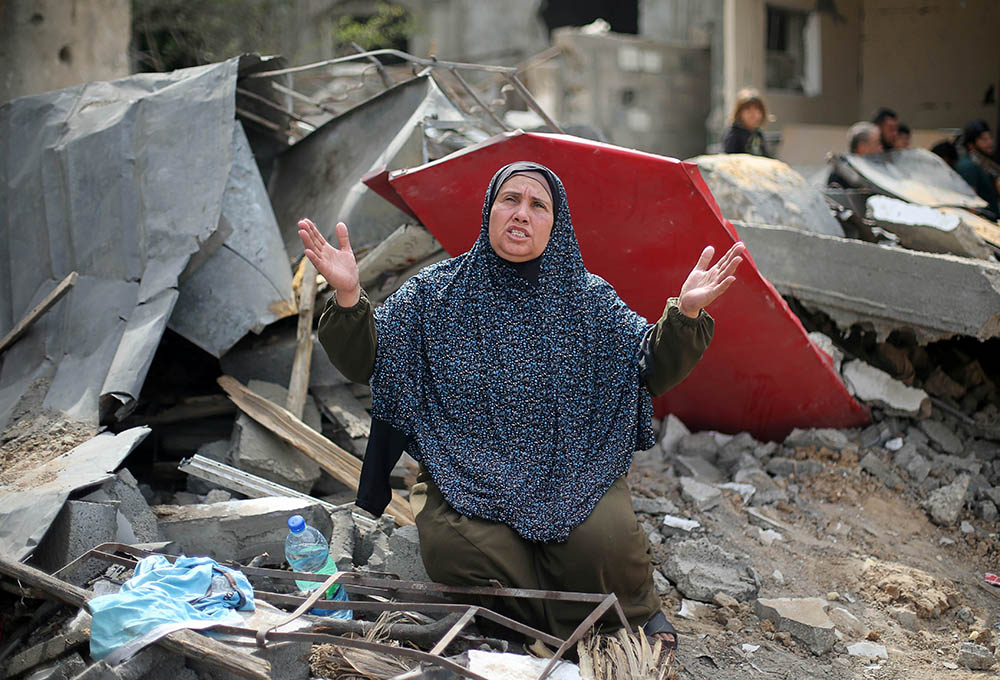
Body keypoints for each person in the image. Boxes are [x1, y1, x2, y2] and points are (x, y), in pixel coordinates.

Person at [299, 162, 745, 650]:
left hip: (573, 467)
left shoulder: (588, 300)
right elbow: (372, 359)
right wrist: (346, 297)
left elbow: (648, 365)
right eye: (510, 199)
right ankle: (580, 621)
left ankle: (632, 608)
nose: (521, 213)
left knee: (604, 541)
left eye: (538, 205)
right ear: (490, 210)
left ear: (557, 224)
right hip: (466, 469)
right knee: (457, 552)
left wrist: (686, 314)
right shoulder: (435, 293)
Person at [955, 120, 999, 219]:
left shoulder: (987, 165)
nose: (990, 142)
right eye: (984, 139)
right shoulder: (968, 165)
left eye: (990, 138)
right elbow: (971, 204)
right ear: (971, 144)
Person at [827, 122, 881, 188]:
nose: (880, 148)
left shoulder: (874, 168)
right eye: (876, 143)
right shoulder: (842, 171)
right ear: (862, 146)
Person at [723, 88, 771, 157]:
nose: (753, 114)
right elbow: (729, 157)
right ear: (739, 113)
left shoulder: (758, 134)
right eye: (748, 110)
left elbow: (765, 157)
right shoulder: (734, 134)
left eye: (757, 110)